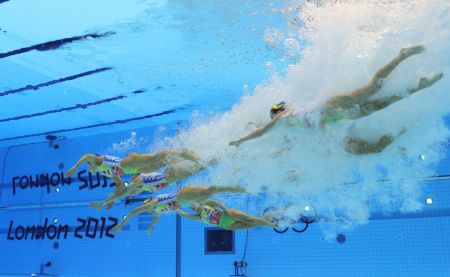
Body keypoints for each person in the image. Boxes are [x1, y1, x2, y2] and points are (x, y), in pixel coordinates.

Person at [229, 45, 444, 154]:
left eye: (275, 114)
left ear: (277, 112)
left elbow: (261, 132)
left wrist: (241, 140)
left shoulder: (283, 119)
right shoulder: (293, 124)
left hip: (332, 109)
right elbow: (270, 135)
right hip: (335, 114)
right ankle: (417, 85)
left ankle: (403, 57)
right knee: (378, 100)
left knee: (374, 91)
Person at [110, 185, 245, 235]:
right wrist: (151, 227)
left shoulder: (155, 202)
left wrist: (122, 224)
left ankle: (235, 188)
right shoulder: (157, 210)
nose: (149, 211)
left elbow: (134, 212)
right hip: (187, 199)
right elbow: (156, 217)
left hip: (184, 195)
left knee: (211, 190)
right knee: (209, 192)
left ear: (149, 203)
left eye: (148, 208)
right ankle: (233, 188)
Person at [89, 161, 205, 210]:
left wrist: (106, 202)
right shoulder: (138, 186)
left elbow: (122, 191)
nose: (130, 176)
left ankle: (206, 160)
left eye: (132, 174)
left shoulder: (139, 180)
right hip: (168, 176)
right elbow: (122, 191)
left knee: (193, 168)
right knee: (194, 168)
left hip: (168, 175)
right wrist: (109, 201)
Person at [176, 200, 278, 230]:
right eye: (192, 209)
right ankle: (276, 213)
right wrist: (174, 207)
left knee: (250, 219)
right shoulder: (199, 217)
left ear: (199, 202)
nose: (193, 208)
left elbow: (219, 204)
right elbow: (184, 214)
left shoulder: (207, 203)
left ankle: (271, 225)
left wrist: (228, 212)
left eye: (193, 205)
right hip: (229, 226)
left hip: (230, 214)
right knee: (254, 224)